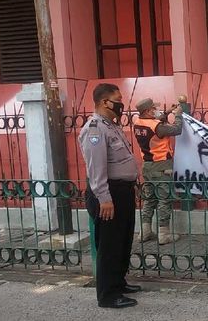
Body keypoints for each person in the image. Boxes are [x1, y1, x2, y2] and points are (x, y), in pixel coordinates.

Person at [78, 83, 141, 308]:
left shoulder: (111, 126)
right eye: (118, 99)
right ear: (105, 102)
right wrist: (104, 198)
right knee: (110, 245)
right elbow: (96, 168)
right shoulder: (95, 129)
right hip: (109, 194)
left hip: (123, 192)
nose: (122, 103)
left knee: (123, 241)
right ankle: (107, 295)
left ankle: (118, 283)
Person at [133, 97, 183, 245]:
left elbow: (155, 124)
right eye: (154, 108)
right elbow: (176, 129)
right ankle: (164, 234)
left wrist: (167, 112)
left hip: (147, 166)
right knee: (164, 199)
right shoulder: (157, 126)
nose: (156, 110)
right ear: (148, 111)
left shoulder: (138, 123)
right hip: (161, 166)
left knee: (149, 199)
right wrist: (178, 114)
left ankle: (144, 232)